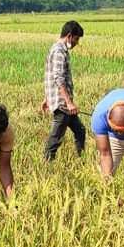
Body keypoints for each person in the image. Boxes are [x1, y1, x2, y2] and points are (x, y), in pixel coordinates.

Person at [42, 20, 86, 161]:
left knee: (80, 130)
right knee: (56, 137)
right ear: (69, 36)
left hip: (62, 101)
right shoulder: (59, 51)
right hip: (62, 103)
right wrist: (69, 102)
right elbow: (58, 78)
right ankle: (47, 162)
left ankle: (81, 159)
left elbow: (50, 75)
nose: (76, 43)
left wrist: (47, 98)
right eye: (76, 39)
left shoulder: (57, 49)